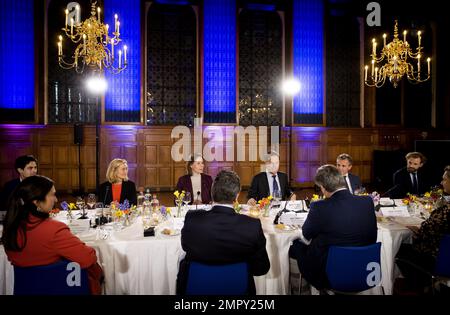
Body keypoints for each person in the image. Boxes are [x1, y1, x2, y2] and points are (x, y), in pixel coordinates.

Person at [1, 175, 103, 294]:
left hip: (26, 289)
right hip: (61, 289)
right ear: (37, 202)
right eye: (52, 194)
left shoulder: (10, 229)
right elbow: (88, 258)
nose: (55, 200)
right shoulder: (54, 229)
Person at [177, 170, 270, 294]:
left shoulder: (192, 219)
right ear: (237, 196)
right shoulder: (252, 225)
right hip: (238, 288)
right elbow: (261, 268)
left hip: (197, 285)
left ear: (212, 192)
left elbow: (186, 246)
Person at [288, 165, 377, 290]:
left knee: (294, 245)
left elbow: (306, 235)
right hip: (365, 268)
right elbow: (373, 237)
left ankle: (300, 289)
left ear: (323, 188)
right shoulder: (367, 202)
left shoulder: (319, 207)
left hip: (330, 273)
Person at [395, 166, 450, 293]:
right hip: (443, 255)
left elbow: (423, 234)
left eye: (444, 179)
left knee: (399, 247)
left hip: (435, 258)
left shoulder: (445, 211)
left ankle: (419, 286)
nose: (441, 183)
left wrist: (417, 230)